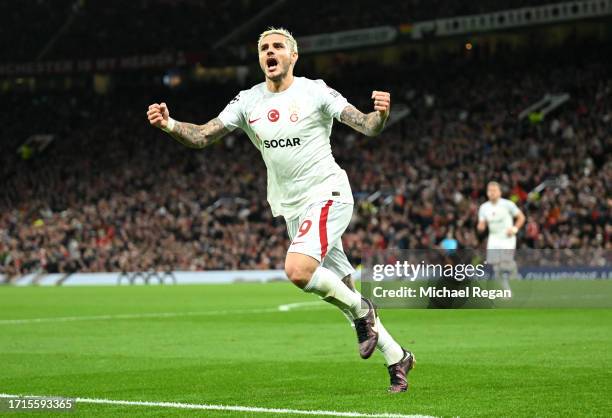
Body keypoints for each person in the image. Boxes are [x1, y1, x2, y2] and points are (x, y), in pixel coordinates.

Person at [146, 27, 414, 392]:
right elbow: (203, 135)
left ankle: (363, 311)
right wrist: (170, 124)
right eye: (263, 48)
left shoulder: (315, 91)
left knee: (299, 270)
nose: (269, 52)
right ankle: (397, 356)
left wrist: (379, 115)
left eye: (277, 47)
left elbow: (365, 125)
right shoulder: (247, 101)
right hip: (292, 209)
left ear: (293, 56)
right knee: (343, 289)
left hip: (328, 194)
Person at [477, 181, 525, 289]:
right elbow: (481, 224)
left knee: (504, 263)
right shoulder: (484, 208)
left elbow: (521, 217)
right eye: (490, 190)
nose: (492, 193)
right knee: (496, 266)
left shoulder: (508, 204)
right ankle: (506, 289)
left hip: (507, 237)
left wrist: (514, 228)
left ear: (500, 192)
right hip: (493, 238)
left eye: (494, 190)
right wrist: (480, 227)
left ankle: (513, 270)